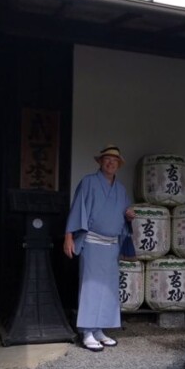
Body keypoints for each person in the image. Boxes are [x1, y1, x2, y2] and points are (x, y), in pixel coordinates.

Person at [63, 144, 136, 352]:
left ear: (119, 165)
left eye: (114, 160)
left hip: (111, 245)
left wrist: (129, 215)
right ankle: (87, 330)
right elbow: (77, 209)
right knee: (91, 287)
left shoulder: (121, 190)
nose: (110, 162)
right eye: (107, 159)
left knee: (108, 288)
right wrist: (68, 236)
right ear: (100, 162)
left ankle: (100, 329)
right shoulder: (88, 182)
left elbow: (124, 215)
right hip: (93, 243)